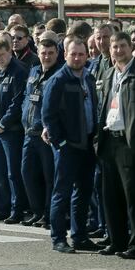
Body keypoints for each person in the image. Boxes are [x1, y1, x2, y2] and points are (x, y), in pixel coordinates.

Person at [94, 32, 135, 260]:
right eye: (114, 47)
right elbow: (102, 108)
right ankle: (117, 241)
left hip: (131, 143)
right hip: (108, 141)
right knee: (111, 197)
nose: (118, 50)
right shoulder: (109, 73)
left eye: (122, 46)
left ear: (129, 46)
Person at [41, 37, 100, 253]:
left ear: (87, 56)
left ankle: (80, 236)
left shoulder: (89, 78)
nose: (77, 58)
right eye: (73, 54)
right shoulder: (58, 80)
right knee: (62, 193)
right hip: (67, 147)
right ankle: (58, 238)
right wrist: (62, 143)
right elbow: (48, 115)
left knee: (83, 192)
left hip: (87, 145)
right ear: (65, 55)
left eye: (81, 54)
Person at [0, 36, 30, 223]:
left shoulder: (18, 71)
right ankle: (2, 208)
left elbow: (17, 102)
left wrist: (3, 123)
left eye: (2, 55)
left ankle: (16, 209)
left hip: (12, 130)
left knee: (13, 172)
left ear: (10, 52)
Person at [20, 38, 61, 229]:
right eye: (43, 52)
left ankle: (48, 214)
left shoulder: (59, 74)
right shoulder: (34, 70)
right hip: (29, 132)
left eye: (51, 53)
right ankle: (37, 212)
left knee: (49, 177)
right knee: (27, 173)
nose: (46, 56)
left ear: (57, 53)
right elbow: (27, 98)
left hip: (46, 135)